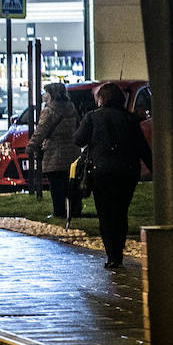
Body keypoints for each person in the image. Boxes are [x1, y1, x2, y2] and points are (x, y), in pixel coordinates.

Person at [73, 82, 152, 269]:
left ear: (101, 99)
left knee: (105, 213)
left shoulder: (92, 117)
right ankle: (119, 252)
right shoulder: (130, 119)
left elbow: (78, 139)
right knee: (120, 212)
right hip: (127, 171)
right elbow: (141, 146)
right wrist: (153, 167)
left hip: (101, 172)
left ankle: (112, 255)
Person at [30, 82, 83, 222]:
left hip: (55, 152)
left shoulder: (49, 111)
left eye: (45, 93)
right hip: (72, 152)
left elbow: (41, 131)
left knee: (56, 186)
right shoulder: (71, 108)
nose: (43, 95)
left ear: (52, 94)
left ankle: (59, 212)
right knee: (71, 185)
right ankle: (74, 211)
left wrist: (31, 146)